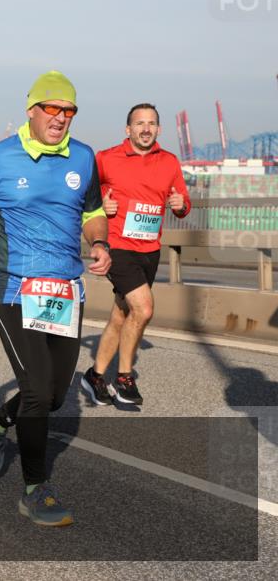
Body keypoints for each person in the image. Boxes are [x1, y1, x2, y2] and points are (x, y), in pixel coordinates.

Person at [0, 71, 111, 526]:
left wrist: (100, 242)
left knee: (55, 396)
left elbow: (94, 211)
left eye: (69, 111)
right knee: (37, 389)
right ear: (32, 111)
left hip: (63, 291)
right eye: (52, 109)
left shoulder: (83, 156)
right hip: (13, 286)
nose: (60, 119)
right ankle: (36, 488)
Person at [82, 103, 191, 407]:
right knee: (143, 309)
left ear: (158, 129)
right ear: (127, 129)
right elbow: (85, 198)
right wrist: (102, 208)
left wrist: (180, 203)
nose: (146, 128)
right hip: (118, 245)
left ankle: (95, 375)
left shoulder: (169, 161)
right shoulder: (105, 159)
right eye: (139, 123)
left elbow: (182, 205)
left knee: (122, 314)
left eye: (152, 123)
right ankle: (124, 377)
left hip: (150, 249)